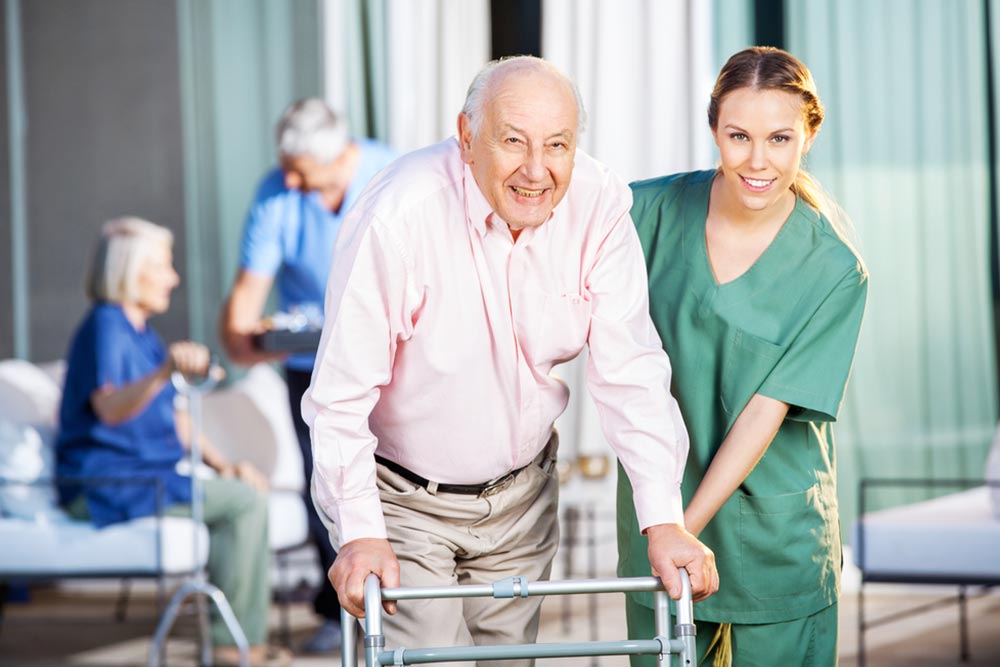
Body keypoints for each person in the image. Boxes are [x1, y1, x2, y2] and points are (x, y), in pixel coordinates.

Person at [302, 55, 719, 662]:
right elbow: (339, 397)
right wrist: (361, 534)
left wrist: (664, 520)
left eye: (557, 145)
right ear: (467, 137)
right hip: (405, 500)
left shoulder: (599, 205)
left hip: (523, 497)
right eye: (513, 141)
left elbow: (632, 372)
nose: (536, 169)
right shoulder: (398, 215)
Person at [617, 46, 869, 666]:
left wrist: (683, 529)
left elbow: (764, 412)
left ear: (808, 135)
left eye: (780, 138)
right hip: (660, 519)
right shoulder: (641, 213)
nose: (758, 161)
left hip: (774, 535)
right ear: (713, 131)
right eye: (739, 136)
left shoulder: (834, 270)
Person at [56, 217, 287, 667]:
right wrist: (164, 373)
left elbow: (177, 418)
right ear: (129, 270)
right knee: (243, 503)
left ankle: (233, 639)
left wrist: (224, 465)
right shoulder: (106, 325)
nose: (174, 278)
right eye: (163, 266)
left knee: (242, 491)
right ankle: (233, 647)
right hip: (107, 486)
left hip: (147, 479)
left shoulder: (141, 334)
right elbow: (109, 407)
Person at [219, 97, 397, 653]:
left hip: (392, 361)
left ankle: (403, 602)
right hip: (313, 365)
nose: (290, 180)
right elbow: (239, 323)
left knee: (397, 477)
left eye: (301, 169)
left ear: (342, 153)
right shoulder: (277, 193)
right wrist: (260, 336)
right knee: (329, 485)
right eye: (286, 167)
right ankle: (336, 610)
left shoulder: (389, 175)